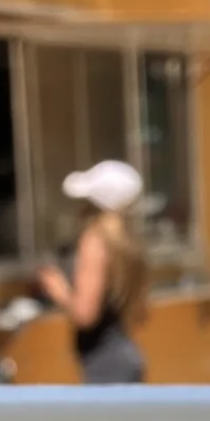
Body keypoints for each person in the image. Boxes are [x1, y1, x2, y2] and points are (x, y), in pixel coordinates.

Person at [35, 160, 151, 384]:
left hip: (105, 362)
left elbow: (85, 314)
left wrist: (58, 289)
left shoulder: (95, 242)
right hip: (122, 354)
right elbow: (140, 311)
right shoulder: (125, 243)